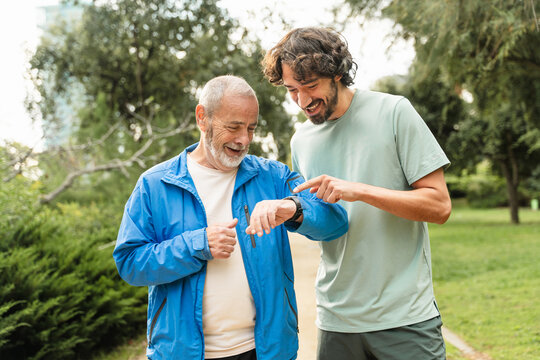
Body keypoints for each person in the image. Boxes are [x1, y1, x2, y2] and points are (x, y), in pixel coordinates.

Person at [113, 75, 348, 360]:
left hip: (266, 351)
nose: (244, 140)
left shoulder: (272, 176)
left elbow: (335, 220)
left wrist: (292, 207)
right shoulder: (155, 185)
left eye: (251, 128)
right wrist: (196, 245)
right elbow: (129, 263)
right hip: (181, 353)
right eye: (234, 127)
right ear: (203, 118)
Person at [262, 27, 452, 360]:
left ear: (337, 72)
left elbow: (439, 206)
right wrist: (295, 212)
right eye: (292, 90)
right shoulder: (301, 141)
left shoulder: (394, 113)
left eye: (310, 86)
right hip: (337, 321)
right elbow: (325, 222)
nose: (303, 101)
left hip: (405, 319)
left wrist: (360, 191)